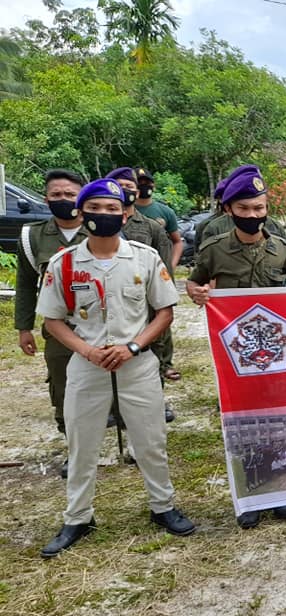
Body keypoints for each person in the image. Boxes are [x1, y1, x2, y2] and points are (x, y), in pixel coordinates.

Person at [35, 178, 195, 558]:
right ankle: (78, 516)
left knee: (150, 440)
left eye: (112, 209)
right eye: (95, 208)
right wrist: (87, 352)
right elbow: (53, 320)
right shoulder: (65, 263)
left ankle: (163, 506)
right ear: (82, 211)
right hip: (87, 365)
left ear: (126, 214)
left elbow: (164, 312)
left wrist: (133, 346)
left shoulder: (144, 258)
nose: (103, 215)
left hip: (136, 364)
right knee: (82, 443)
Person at [186, 170, 286, 528]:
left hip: (277, 353)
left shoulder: (282, 250)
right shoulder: (214, 251)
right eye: (244, 208)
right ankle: (250, 493)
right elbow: (194, 283)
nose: (253, 215)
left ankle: (282, 490)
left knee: (281, 419)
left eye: (259, 208)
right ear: (229, 209)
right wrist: (196, 293)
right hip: (237, 355)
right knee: (243, 424)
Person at [15, 169, 89, 478]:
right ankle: (75, 448)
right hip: (59, 329)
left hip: (99, 326)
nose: (63, 200)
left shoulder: (101, 230)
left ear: (82, 199)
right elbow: (25, 284)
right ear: (46, 199)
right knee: (63, 387)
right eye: (56, 195)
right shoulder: (33, 236)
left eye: (70, 195)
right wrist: (24, 327)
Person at [106, 166, 177, 424]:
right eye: (120, 188)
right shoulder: (95, 227)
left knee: (153, 354)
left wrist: (163, 308)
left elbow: (164, 274)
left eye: (130, 187)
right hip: (113, 307)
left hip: (148, 308)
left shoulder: (152, 228)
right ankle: (114, 407)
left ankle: (154, 402)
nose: (127, 192)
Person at [133, 167, 182, 382]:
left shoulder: (164, 212)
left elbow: (177, 240)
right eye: (140, 182)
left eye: (147, 182)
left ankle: (165, 363)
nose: (145, 186)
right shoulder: (119, 210)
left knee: (163, 317)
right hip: (133, 277)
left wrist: (171, 265)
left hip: (158, 275)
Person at [195, 165, 286, 245]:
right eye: (243, 207)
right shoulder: (212, 227)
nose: (251, 215)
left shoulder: (275, 226)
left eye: (258, 207)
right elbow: (205, 258)